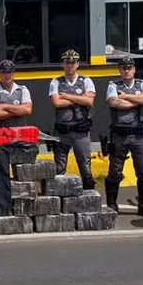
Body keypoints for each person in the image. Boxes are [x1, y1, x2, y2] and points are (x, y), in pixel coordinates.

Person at [103, 56, 143, 218]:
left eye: (129, 68)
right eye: (123, 68)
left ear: (134, 70)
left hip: (139, 135)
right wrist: (138, 101)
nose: (126, 71)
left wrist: (125, 96)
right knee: (115, 171)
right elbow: (114, 102)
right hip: (119, 135)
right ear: (119, 70)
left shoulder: (142, 84)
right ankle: (112, 204)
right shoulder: (113, 85)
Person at [48, 49, 96, 190]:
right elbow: (57, 103)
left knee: (85, 166)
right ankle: (58, 197)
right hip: (62, 132)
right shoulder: (56, 82)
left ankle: (89, 194)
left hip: (81, 132)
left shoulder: (86, 81)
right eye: (67, 62)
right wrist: (80, 98)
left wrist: (67, 96)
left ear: (77, 64)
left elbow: (89, 102)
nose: (70, 65)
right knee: (59, 167)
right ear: (63, 64)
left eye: (73, 62)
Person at [0, 59, 32, 127]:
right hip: (0, 134)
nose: (7, 75)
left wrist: (4, 106)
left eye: (9, 72)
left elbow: (27, 110)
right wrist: (18, 111)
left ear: (13, 73)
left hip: (20, 134)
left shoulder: (23, 89)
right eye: (4, 72)